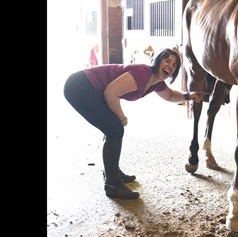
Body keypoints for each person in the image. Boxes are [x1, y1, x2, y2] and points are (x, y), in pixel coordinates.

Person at [64, 48, 203, 200]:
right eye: (167, 60)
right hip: (79, 86)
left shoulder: (156, 82)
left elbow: (169, 95)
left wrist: (188, 96)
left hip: (90, 88)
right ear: (158, 60)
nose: (170, 66)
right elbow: (110, 93)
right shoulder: (142, 73)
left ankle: (112, 171)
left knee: (112, 128)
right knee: (115, 129)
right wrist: (122, 118)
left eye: (175, 65)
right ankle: (113, 184)